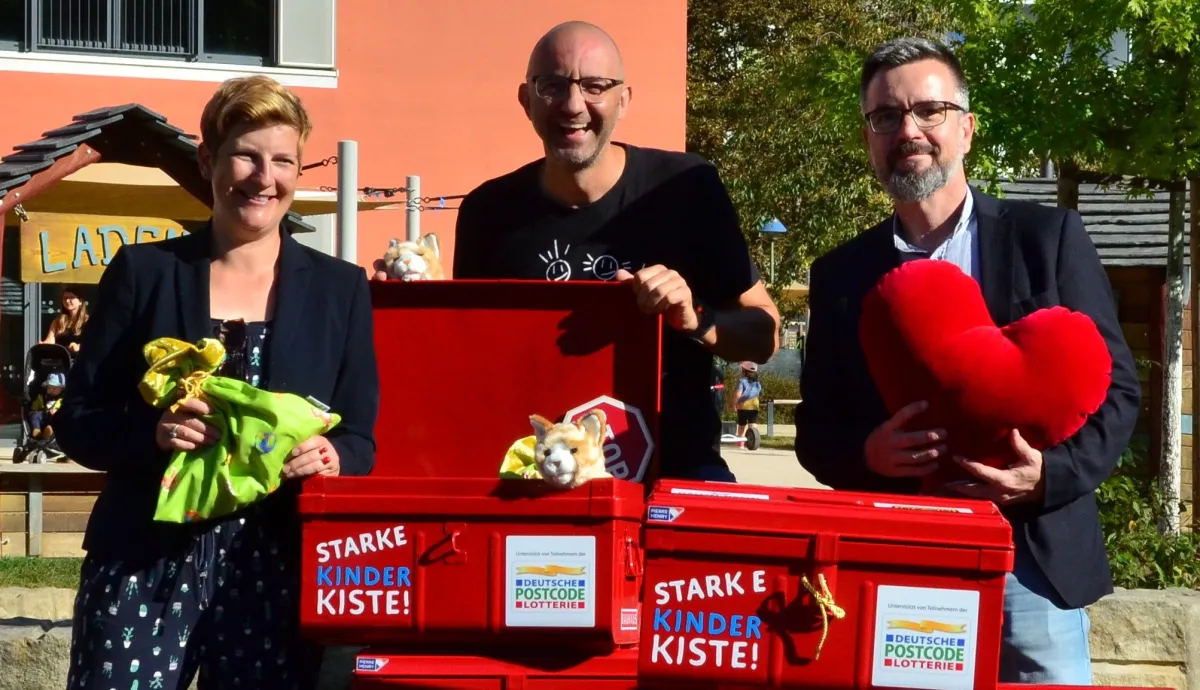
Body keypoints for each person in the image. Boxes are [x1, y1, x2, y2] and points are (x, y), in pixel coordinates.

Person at [795, 37, 1141, 683]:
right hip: (896, 561)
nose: (908, 130)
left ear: (966, 128)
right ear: (869, 138)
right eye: (885, 117)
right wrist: (867, 453)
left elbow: (1118, 393)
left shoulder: (1048, 238)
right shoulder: (840, 275)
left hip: (1032, 564)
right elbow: (818, 431)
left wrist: (1047, 476)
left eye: (929, 110)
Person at [54, 75, 380, 690]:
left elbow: (361, 435)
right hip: (141, 562)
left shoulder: (342, 289)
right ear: (209, 160)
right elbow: (79, 419)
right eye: (246, 156)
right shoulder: (144, 273)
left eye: (283, 160)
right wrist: (152, 432)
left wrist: (334, 456)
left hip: (275, 568)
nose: (264, 178)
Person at [418, 20, 781, 481]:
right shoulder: (488, 211)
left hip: (676, 474)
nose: (573, 106)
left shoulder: (687, 189)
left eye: (595, 86)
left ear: (624, 99)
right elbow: (467, 364)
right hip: (535, 478)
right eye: (552, 86)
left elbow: (764, 334)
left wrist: (696, 319)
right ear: (526, 100)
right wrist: (406, 308)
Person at [41, 286, 88, 355]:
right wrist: (43, 345)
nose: (67, 300)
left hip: (79, 359)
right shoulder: (58, 321)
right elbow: (50, 341)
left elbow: (93, 343)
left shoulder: (88, 321)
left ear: (80, 301)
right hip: (61, 359)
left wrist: (79, 347)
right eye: (65, 298)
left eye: (71, 297)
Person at [28, 371, 65, 438]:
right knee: (34, 415)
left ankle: (49, 432)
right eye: (49, 388)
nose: (51, 390)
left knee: (60, 419)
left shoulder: (63, 400)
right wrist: (35, 411)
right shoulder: (41, 397)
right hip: (42, 419)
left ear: (61, 389)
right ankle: (36, 430)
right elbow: (33, 408)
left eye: (54, 388)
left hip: (53, 420)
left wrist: (57, 413)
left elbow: (66, 411)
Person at [734, 362, 761, 448]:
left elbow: (738, 394)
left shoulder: (742, 381)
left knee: (741, 425)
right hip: (754, 406)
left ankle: (740, 444)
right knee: (753, 424)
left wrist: (735, 403)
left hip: (742, 406)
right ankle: (753, 442)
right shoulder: (757, 382)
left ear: (744, 370)